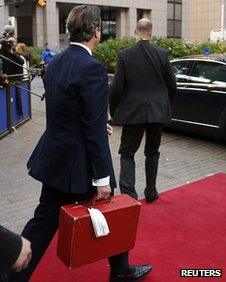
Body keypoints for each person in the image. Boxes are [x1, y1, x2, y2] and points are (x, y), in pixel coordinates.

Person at [10, 6, 151, 282]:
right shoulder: (92, 68)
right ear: (96, 32)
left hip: (56, 157)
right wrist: (102, 178)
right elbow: (92, 132)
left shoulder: (57, 62)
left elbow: (68, 111)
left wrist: (98, 123)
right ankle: (121, 271)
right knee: (110, 208)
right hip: (82, 163)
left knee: (44, 219)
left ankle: (12, 271)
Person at [109, 18, 177, 202]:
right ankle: (151, 191)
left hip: (133, 112)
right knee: (152, 152)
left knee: (127, 153)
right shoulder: (162, 54)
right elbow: (173, 85)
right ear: (151, 33)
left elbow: (116, 88)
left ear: (136, 33)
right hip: (158, 112)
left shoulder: (125, 55)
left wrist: (113, 111)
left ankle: (129, 195)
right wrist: (165, 105)